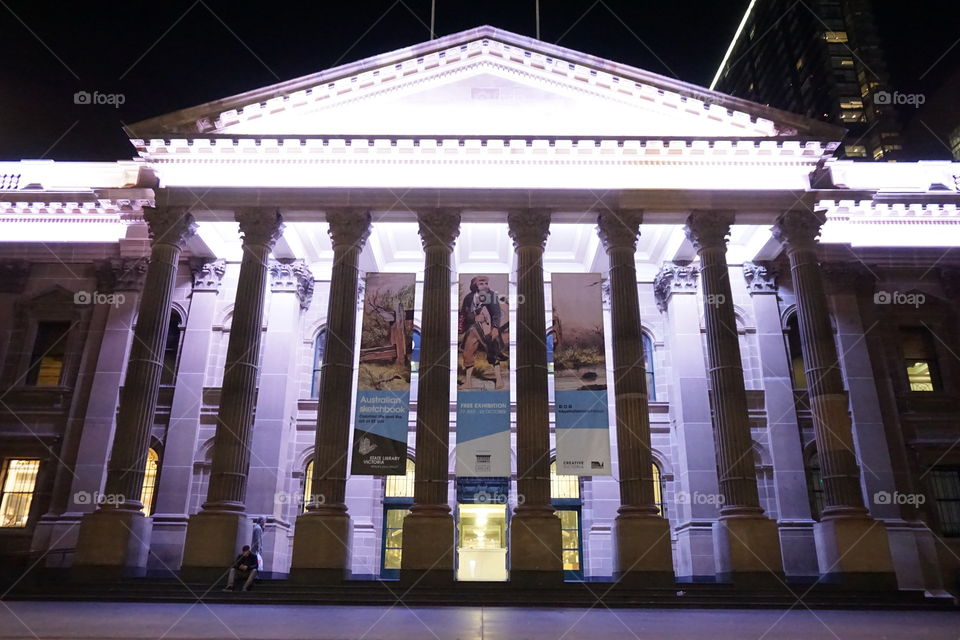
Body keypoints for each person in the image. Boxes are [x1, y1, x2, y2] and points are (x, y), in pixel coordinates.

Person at [459, 276, 504, 390]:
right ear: (475, 285)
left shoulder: (491, 295)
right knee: (468, 353)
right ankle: (468, 382)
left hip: (488, 329)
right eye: (481, 283)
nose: (485, 285)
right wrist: (474, 317)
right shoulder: (469, 298)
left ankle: (499, 379)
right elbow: (464, 313)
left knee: (493, 351)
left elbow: (496, 313)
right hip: (473, 329)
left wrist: (495, 327)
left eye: (486, 283)